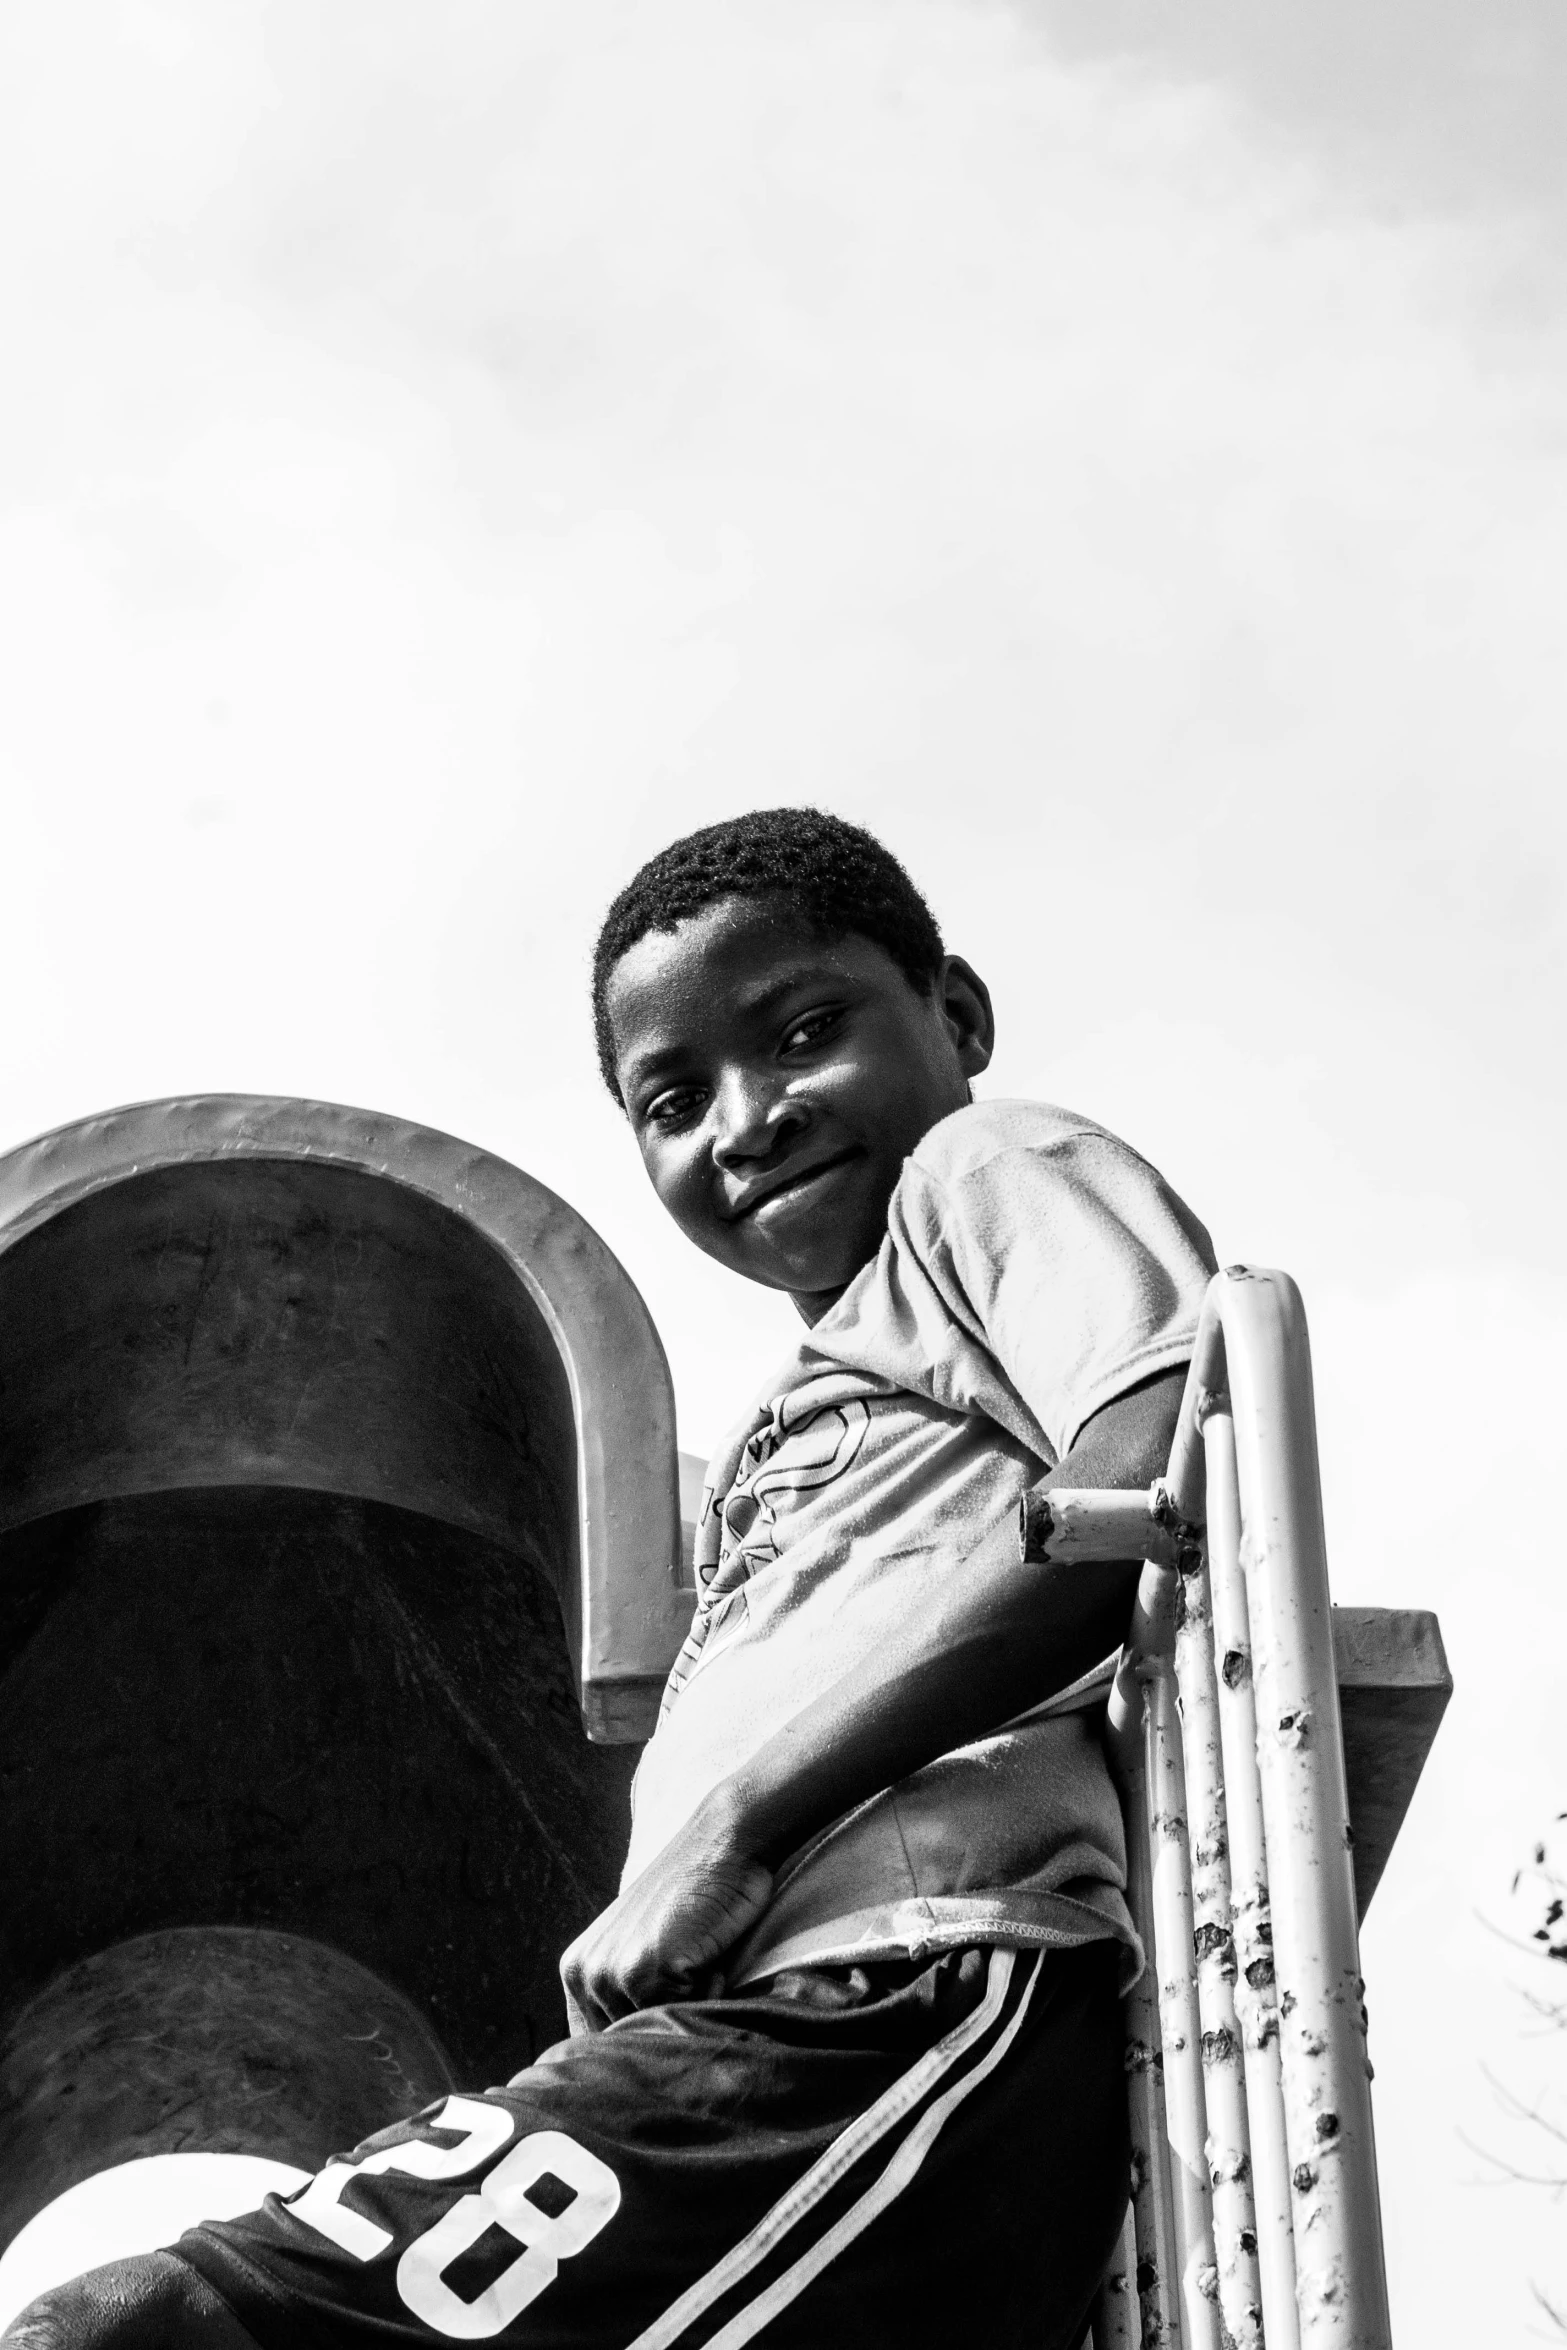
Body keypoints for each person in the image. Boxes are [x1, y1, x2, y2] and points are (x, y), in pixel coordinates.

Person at [9, 810, 1215, 2350]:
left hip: (899, 2008)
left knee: (135, 2328)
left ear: (956, 1016)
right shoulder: (835, 1389)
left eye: (801, 1030)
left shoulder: (985, 1167)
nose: (749, 1117)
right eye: (674, 1096)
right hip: (772, 2046)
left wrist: (743, 1820)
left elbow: (1142, 1467)